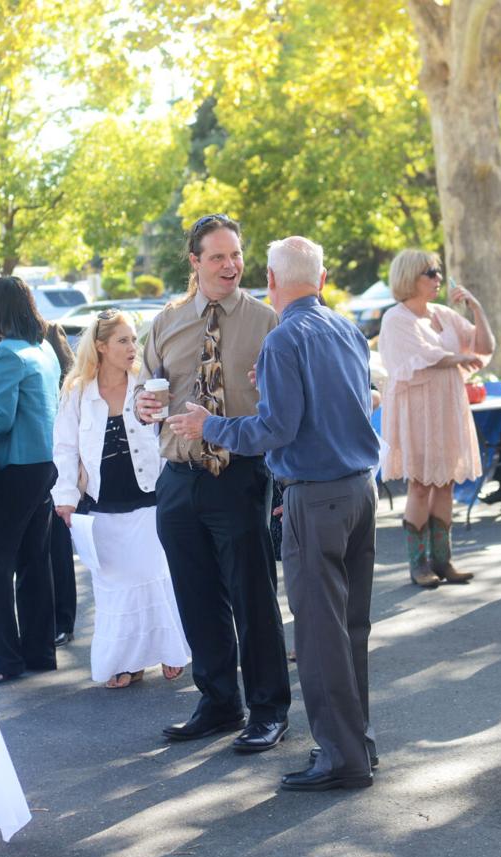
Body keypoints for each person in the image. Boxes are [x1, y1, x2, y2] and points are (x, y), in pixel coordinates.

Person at [169, 236, 380, 791]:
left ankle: (341, 757)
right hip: (360, 489)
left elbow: (273, 431)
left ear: (269, 277)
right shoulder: (345, 329)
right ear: (323, 278)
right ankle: (358, 742)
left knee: (318, 635)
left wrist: (207, 426)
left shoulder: (285, 338)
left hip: (318, 494)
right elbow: (359, 402)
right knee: (350, 629)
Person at [134, 213, 292, 753]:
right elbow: (144, 397)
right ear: (195, 262)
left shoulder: (268, 321)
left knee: (252, 597)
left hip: (240, 476)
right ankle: (220, 701)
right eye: (219, 256)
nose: (231, 266)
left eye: (237, 255)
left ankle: (269, 709)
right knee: (196, 598)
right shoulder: (166, 321)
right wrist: (144, 404)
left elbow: (286, 405)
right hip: (178, 479)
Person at [52, 310, 190, 688]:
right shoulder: (78, 391)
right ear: (101, 346)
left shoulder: (147, 384)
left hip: (149, 498)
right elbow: (64, 447)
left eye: (134, 339)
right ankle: (126, 662)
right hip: (102, 504)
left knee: (155, 576)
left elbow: (169, 432)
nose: (133, 347)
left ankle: (169, 650)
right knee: (114, 588)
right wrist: (64, 497)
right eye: (123, 341)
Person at [0, 266, 79, 649]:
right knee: (33, 562)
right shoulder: (40, 349)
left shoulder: (5, 353)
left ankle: (2, 655)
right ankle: (38, 651)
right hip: (42, 467)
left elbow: (0, 420)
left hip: (13, 469)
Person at [378, 248, 494, 588]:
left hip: (446, 405)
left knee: (445, 482)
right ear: (410, 277)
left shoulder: (443, 314)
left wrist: (476, 308)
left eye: (438, 272)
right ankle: (418, 564)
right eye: (430, 272)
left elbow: (483, 348)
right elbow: (421, 356)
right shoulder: (395, 318)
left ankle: (444, 560)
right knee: (420, 485)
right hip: (416, 409)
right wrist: (457, 356)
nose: (438, 278)